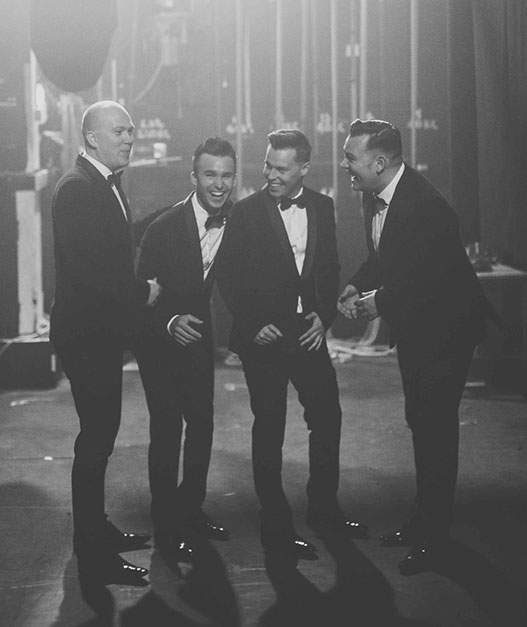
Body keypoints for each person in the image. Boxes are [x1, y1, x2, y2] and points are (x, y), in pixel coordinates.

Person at [338, 118, 497, 575]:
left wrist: (377, 303)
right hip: (416, 328)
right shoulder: (373, 196)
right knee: (421, 421)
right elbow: (384, 257)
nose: (345, 166)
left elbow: (429, 279)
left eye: (351, 157)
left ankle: (435, 537)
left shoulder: (427, 206)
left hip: (447, 331)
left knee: (435, 428)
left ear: (379, 162)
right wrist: (356, 284)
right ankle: (423, 520)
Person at [217, 129, 368, 561]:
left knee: (328, 418)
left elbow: (330, 265)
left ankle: (324, 510)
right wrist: (252, 325)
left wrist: (324, 315)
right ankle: (276, 527)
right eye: (268, 166)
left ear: (304, 168)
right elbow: (228, 276)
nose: (271, 175)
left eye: (281, 169)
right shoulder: (245, 211)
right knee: (270, 429)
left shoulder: (321, 205)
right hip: (265, 336)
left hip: (307, 332)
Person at [50, 100, 162, 585]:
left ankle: (95, 530)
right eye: (119, 131)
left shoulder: (103, 184)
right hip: (86, 336)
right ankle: (92, 553)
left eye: (131, 130)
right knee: (96, 441)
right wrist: (142, 292)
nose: (129, 138)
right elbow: (89, 270)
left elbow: (112, 245)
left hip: (98, 334)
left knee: (101, 436)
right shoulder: (78, 188)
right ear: (92, 138)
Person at [133, 137, 235, 562]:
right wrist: (170, 321)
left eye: (226, 175)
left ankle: (191, 508)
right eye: (210, 174)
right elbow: (138, 298)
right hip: (157, 340)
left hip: (197, 338)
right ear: (193, 177)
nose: (218, 184)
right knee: (167, 428)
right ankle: (166, 526)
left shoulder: (235, 221)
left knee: (203, 424)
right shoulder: (163, 227)